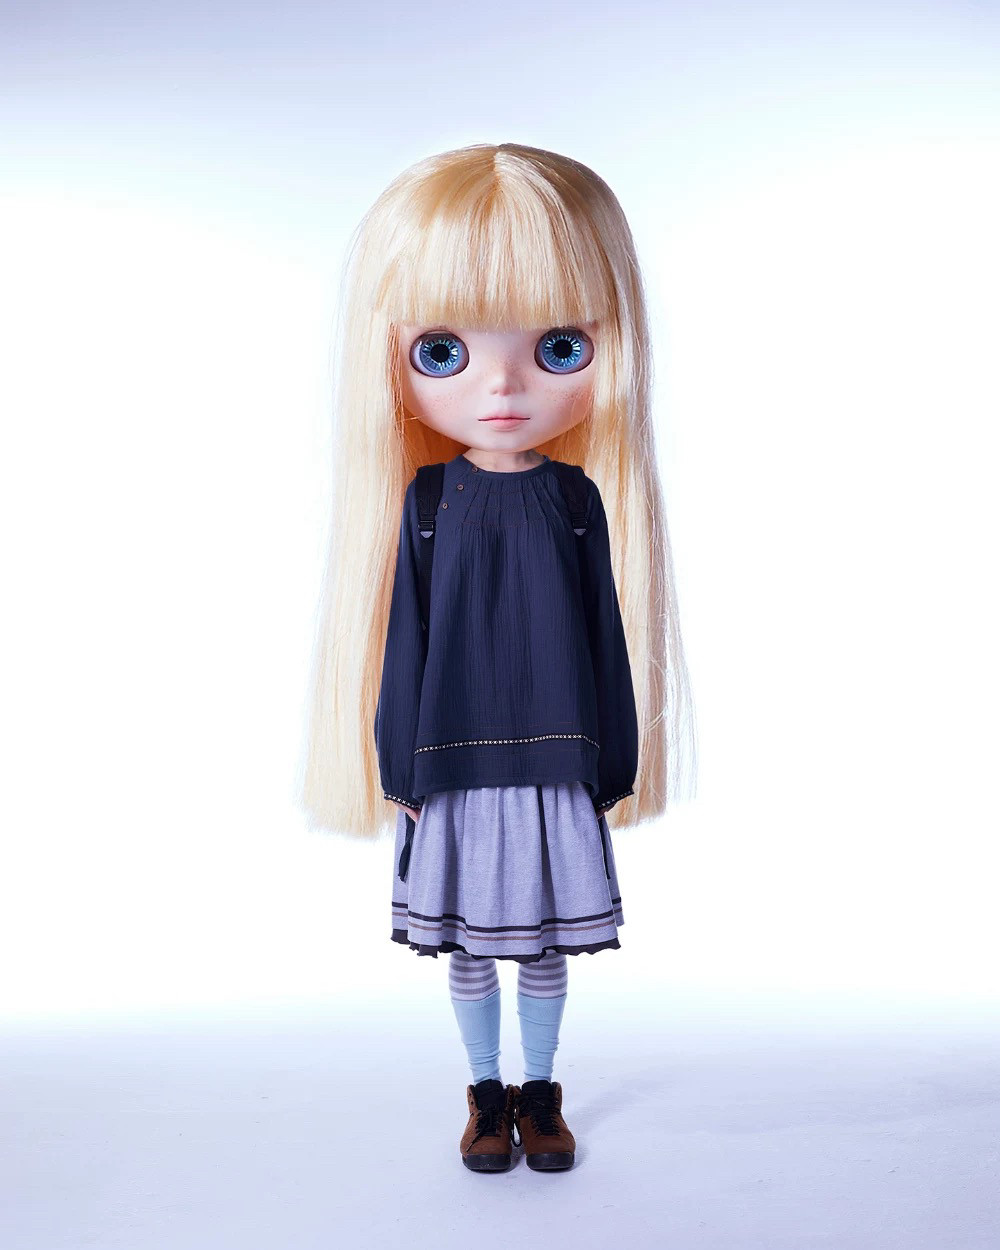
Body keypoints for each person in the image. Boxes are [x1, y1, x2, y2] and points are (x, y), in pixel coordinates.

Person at [301, 142, 697, 1173]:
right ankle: (486, 1091)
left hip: (557, 751)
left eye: (558, 346)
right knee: (473, 944)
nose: (504, 384)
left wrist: (615, 760)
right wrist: (401, 768)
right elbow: (406, 637)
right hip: (456, 757)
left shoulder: (576, 498)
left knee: (549, 943)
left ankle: (541, 1089)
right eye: (445, 351)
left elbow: (606, 632)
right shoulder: (428, 500)